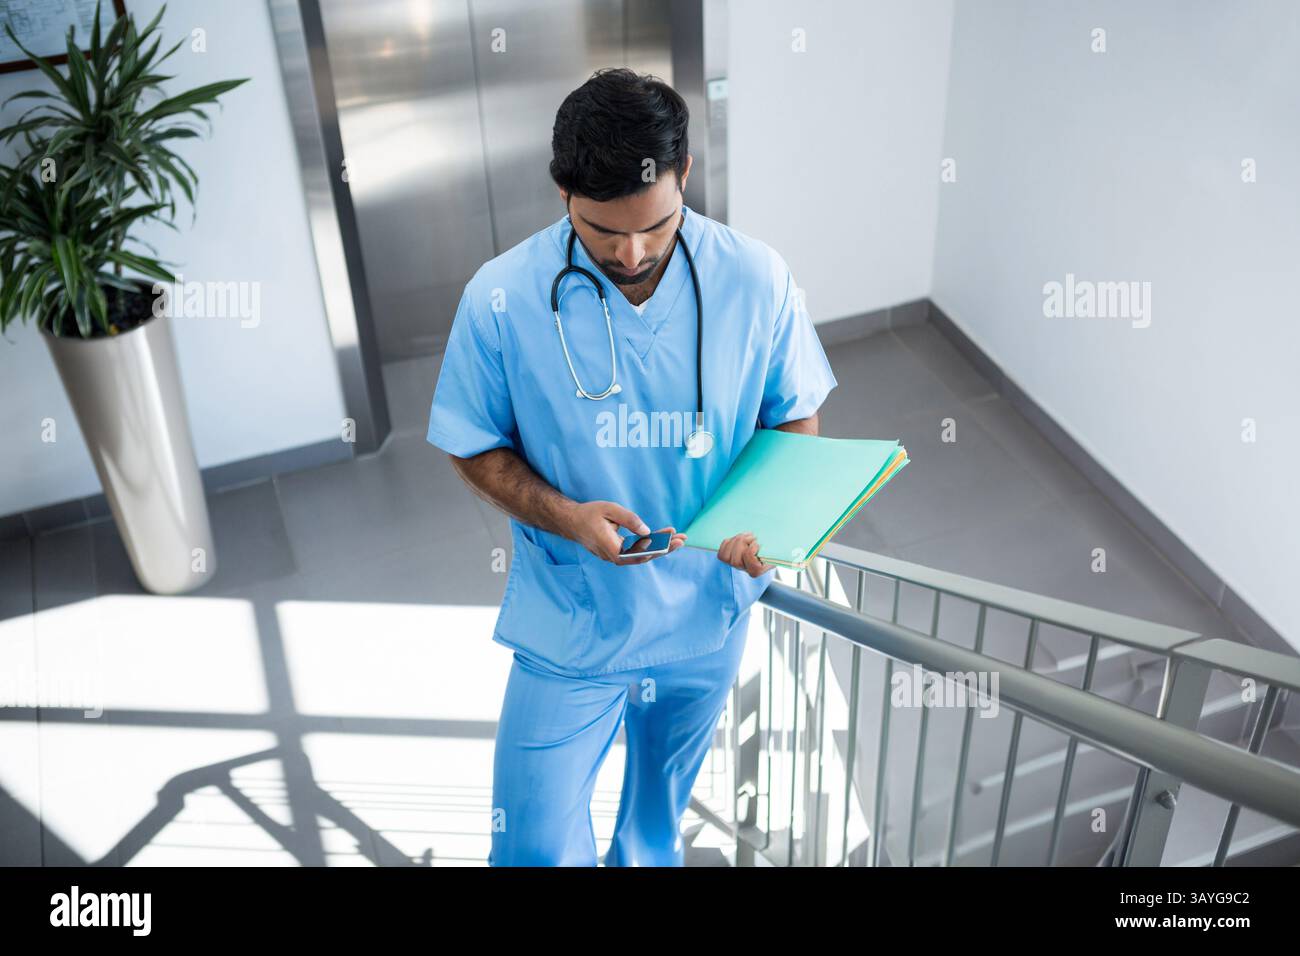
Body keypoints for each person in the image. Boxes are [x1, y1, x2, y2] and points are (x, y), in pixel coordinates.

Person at [427, 67, 837, 866]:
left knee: (653, 829)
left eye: (655, 224)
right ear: (561, 195)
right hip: (574, 619)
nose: (633, 252)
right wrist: (566, 518)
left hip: (706, 613)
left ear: (684, 176)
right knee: (533, 848)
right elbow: (472, 443)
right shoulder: (500, 299)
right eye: (602, 231)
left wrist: (771, 523)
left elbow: (792, 414)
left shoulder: (755, 279)